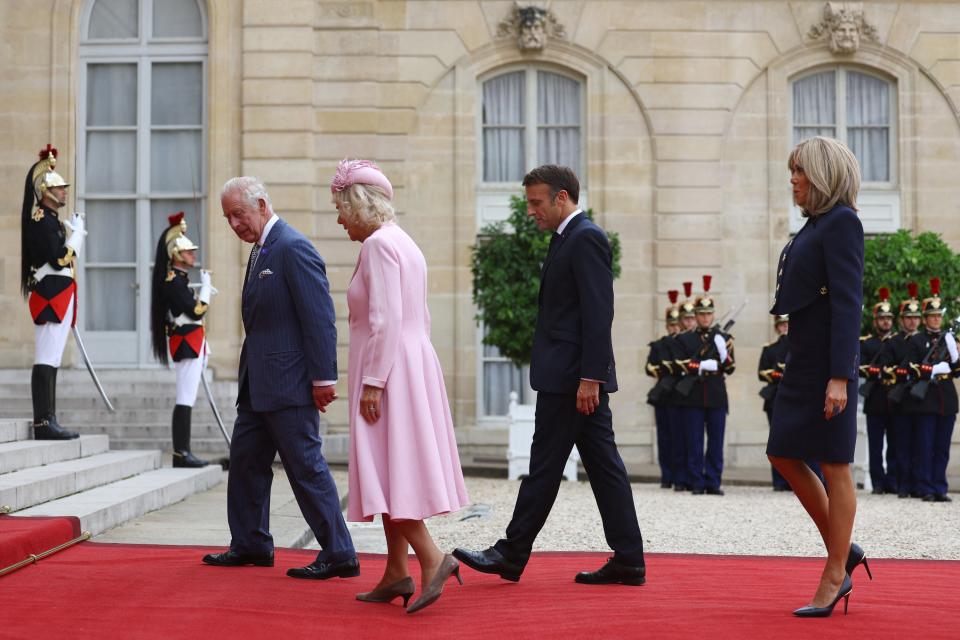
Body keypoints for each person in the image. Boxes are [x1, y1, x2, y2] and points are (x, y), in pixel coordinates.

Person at [454, 164, 646, 586]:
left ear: (562, 197)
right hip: (568, 376)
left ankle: (512, 552)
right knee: (603, 466)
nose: (531, 211)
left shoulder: (586, 238)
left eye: (536, 202)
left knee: (545, 466)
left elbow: (599, 313)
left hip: (572, 380)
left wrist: (590, 377)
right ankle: (629, 558)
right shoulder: (566, 239)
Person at [330, 159, 469, 614]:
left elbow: (384, 319)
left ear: (357, 205)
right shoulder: (404, 242)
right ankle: (396, 571)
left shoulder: (377, 246)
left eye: (340, 208)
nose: (338, 219)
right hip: (410, 364)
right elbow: (417, 318)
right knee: (394, 467)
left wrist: (373, 381)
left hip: (388, 371)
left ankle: (432, 558)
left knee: (389, 470)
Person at [203, 177, 357, 579]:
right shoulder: (261, 249)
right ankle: (251, 543)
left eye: (239, 214)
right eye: (228, 218)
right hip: (258, 385)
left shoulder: (293, 247)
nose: (234, 224)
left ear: (262, 205)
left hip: (289, 385)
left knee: (306, 468)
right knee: (245, 463)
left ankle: (340, 552)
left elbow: (320, 318)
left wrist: (324, 377)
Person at [768, 136, 869, 617]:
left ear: (823, 175)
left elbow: (849, 305)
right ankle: (843, 547)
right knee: (782, 451)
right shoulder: (816, 224)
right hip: (802, 357)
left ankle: (835, 574)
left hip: (827, 364)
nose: (792, 179)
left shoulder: (843, 223)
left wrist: (840, 377)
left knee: (834, 463)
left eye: (799, 171)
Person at [20, 144, 85, 440]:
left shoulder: (52, 222)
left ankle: (50, 418)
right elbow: (59, 258)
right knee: (46, 357)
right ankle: (43, 422)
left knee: (53, 359)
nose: (64, 192)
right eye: (59, 189)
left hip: (59, 296)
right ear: (46, 192)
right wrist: (77, 237)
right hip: (49, 297)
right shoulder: (41, 221)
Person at [149, 212, 212, 467]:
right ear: (176, 254)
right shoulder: (173, 282)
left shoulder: (180, 281)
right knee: (185, 397)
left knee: (189, 397)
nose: (192, 255)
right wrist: (206, 288)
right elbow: (196, 310)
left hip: (193, 341)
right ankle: (181, 452)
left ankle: (183, 451)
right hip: (186, 343)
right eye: (187, 252)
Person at [674, 275, 735, 495]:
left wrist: (722, 352)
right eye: (701, 314)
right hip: (693, 395)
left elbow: (730, 367)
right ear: (696, 316)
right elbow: (680, 364)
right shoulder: (685, 339)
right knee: (694, 441)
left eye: (709, 314)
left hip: (717, 395)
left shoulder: (723, 338)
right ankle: (696, 482)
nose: (705, 317)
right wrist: (701, 365)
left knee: (716, 442)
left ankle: (713, 481)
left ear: (713, 315)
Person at [902, 278, 956, 503]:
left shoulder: (949, 338)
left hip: (947, 399)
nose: (936, 319)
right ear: (925, 318)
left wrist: (954, 358)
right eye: (932, 315)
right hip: (926, 399)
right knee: (925, 445)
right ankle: (924, 487)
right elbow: (909, 368)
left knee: (942, 446)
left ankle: (939, 486)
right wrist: (932, 369)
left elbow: (957, 368)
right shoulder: (917, 341)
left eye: (938, 316)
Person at [886, 283, 923, 498]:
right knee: (901, 444)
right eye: (908, 318)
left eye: (915, 317)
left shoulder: (925, 340)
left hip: (921, 399)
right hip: (900, 398)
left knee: (921, 444)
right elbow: (889, 367)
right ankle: (902, 483)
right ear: (902, 320)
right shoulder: (894, 342)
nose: (912, 321)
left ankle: (918, 483)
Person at [859, 288, 896, 493]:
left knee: (895, 443)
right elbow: (859, 366)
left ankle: (892, 481)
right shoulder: (867, 343)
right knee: (875, 444)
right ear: (875, 321)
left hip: (894, 399)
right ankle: (878, 482)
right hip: (875, 398)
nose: (886, 322)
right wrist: (872, 370)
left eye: (888, 319)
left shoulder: (898, 342)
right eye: (882, 319)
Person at [645, 290, 681, 488]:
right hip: (664, 395)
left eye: (677, 324)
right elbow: (649, 367)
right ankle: (667, 475)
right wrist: (666, 368)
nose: (674, 328)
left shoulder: (684, 343)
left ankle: (679, 475)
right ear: (667, 326)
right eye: (672, 324)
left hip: (680, 395)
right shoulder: (659, 345)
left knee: (680, 438)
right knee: (664, 437)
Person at [759, 315, 790, 490]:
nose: (785, 327)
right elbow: (761, 372)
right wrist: (778, 373)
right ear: (777, 328)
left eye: (787, 324)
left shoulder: (796, 347)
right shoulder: (770, 349)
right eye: (782, 325)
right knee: (776, 441)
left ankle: (794, 482)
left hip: (793, 398)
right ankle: (778, 481)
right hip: (775, 397)